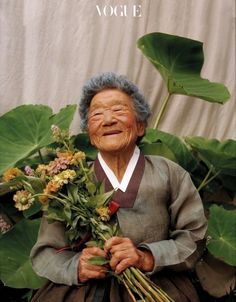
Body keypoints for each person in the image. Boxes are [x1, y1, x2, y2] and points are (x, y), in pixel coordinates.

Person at [30, 72, 207, 302]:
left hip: (155, 286)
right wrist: (77, 267)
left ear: (141, 125)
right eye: (97, 114)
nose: (108, 120)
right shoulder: (68, 182)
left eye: (118, 110)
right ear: (90, 135)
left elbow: (195, 237)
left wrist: (147, 257)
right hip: (83, 292)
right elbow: (46, 251)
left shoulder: (169, 173)